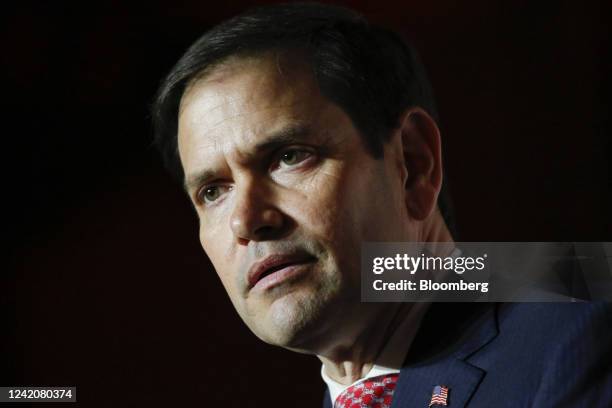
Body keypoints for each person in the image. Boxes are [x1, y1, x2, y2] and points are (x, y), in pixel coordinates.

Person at [152, 3, 612, 407]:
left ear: (412, 165)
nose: (246, 220)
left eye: (289, 157)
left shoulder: (576, 330)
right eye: (213, 190)